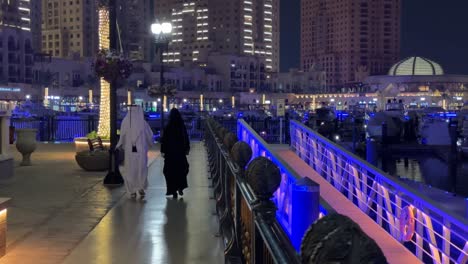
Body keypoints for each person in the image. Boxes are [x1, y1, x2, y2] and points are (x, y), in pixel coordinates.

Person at [116, 106, 154, 199]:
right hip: (141, 150)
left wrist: (121, 145)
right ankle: (141, 188)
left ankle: (131, 190)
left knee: (130, 169)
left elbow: (122, 137)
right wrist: (149, 144)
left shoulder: (125, 122)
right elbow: (150, 136)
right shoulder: (143, 124)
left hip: (129, 151)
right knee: (141, 168)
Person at [161, 108, 190, 199]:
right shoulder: (181, 126)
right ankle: (180, 187)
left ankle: (173, 190)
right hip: (180, 154)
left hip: (170, 155)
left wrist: (163, 151)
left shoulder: (168, 126)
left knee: (170, 172)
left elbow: (164, 140)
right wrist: (186, 148)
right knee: (181, 171)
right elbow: (185, 138)